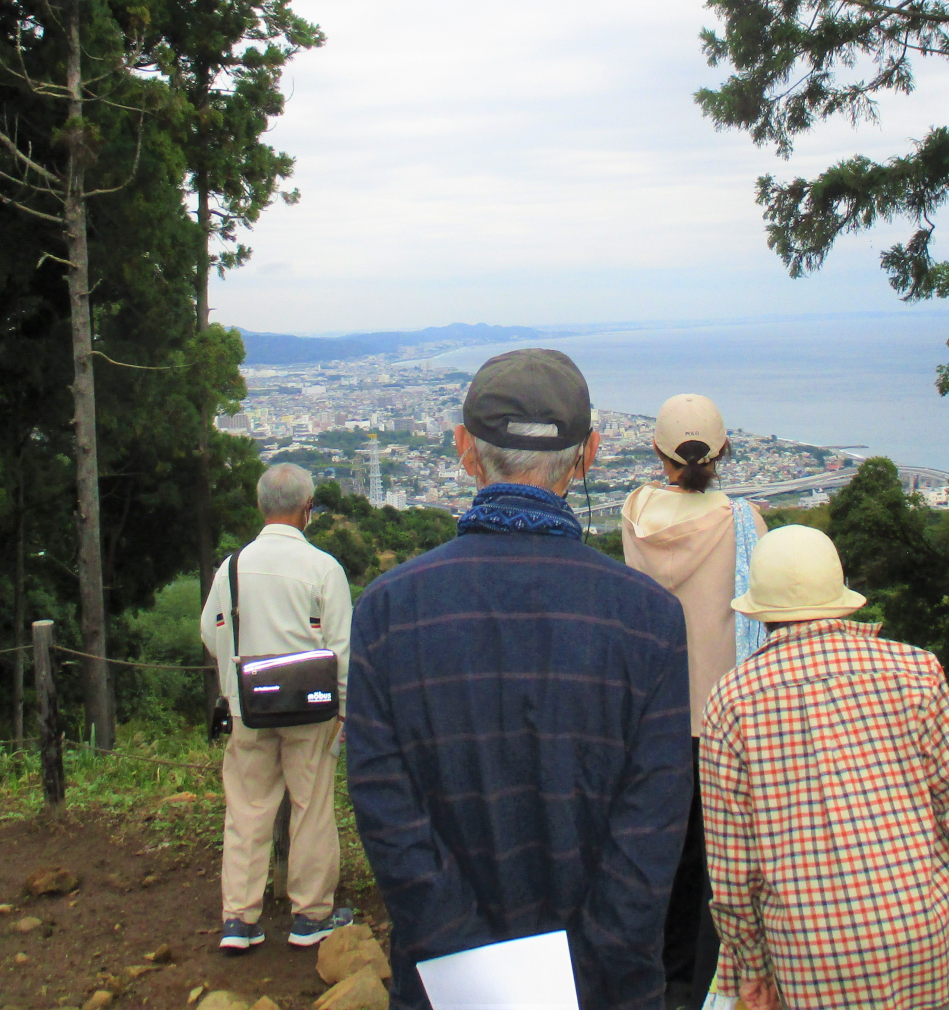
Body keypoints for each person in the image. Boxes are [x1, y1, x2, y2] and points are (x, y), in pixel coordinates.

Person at [347, 349, 693, 1009]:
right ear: (589, 453)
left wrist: (476, 970)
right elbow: (650, 833)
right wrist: (583, 975)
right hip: (607, 989)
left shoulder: (389, 612)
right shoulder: (648, 621)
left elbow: (387, 816)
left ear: (463, 450)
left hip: (449, 989)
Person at [700, 523, 949, 1010]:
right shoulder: (914, 670)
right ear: (842, 597)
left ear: (761, 613)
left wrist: (750, 965)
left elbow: (734, 864)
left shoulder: (731, 700)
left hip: (808, 952)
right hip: (923, 933)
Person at [620, 392, 766, 1009]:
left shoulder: (634, 515)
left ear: (658, 453)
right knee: (723, 860)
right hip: (723, 718)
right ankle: (717, 982)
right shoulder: (745, 522)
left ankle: (664, 979)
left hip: (654, 718)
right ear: (725, 449)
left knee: (662, 856)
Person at [199, 461, 356, 953]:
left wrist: (233, 681)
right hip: (312, 707)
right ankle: (311, 914)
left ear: (262, 506)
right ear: (307, 509)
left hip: (248, 704)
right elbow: (341, 647)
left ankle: (239, 919)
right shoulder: (323, 567)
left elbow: (211, 630)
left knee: (246, 807)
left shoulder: (233, 566)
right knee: (311, 808)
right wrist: (346, 709)